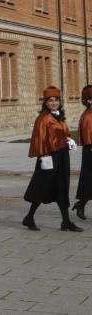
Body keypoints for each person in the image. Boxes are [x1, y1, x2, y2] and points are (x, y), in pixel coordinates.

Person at [23, 86, 81, 232]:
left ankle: (66, 221)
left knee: (62, 187)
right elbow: (40, 139)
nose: (53, 103)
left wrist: (69, 142)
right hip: (49, 157)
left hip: (62, 156)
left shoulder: (60, 116)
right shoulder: (43, 119)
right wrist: (44, 158)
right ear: (46, 103)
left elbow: (62, 134)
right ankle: (29, 217)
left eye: (56, 100)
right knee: (42, 187)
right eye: (50, 100)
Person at [74, 86, 92, 220]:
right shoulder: (87, 116)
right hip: (90, 152)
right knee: (88, 181)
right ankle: (80, 204)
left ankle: (80, 204)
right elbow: (88, 138)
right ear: (89, 100)